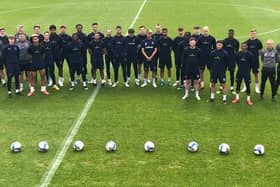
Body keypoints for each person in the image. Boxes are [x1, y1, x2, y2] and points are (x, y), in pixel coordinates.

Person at [244, 29, 263, 93]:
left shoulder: (258, 42)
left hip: (255, 61)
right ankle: (245, 86)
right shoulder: (247, 42)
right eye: (252, 33)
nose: (253, 34)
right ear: (250, 34)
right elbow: (245, 51)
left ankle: (257, 87)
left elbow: (260, 51)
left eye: (254, 33)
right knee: (246, 74)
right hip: (247, 61)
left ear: (256, 34)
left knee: (256, 74)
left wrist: (255, 56)